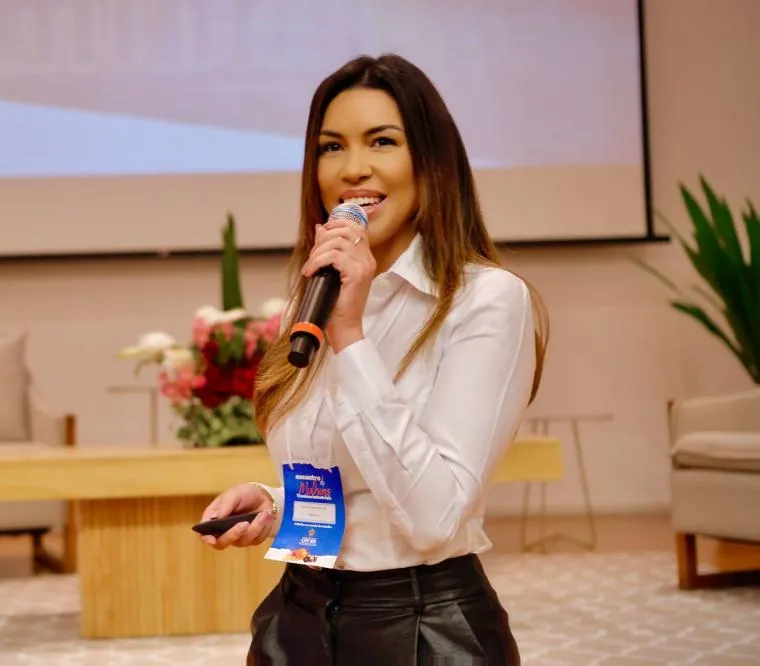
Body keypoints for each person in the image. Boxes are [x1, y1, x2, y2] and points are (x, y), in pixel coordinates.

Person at [198, 53, 549, 665]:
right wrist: (274, 502)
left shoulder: (486, 300)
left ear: (431, 162)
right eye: (331, 147)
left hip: (423, 627)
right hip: (298, 614)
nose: (352, 168)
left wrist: (352, 338)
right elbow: (350, 477)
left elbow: (435, 516)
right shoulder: (314, 299)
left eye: (382, 141)